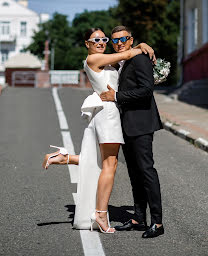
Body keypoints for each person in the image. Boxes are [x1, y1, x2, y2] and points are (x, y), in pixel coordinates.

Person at [42, 27, 155, 233]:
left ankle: (64, 157)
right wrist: (142, 46)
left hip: (105, 112)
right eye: (96, 40)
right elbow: (128, 53)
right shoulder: (93, 59)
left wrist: (140, 46)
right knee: (109, 165)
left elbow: (124, 58)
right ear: (87, 43)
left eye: (104, 39)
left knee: (102, 160)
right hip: (108, 112)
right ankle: (100, 214)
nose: (101, 42)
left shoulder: (105, 59)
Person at [100, 25, 164, 238]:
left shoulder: (139, 58)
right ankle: (138, 218)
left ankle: (157, 222)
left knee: (146, 171)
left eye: (123, 39)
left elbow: (146, 90)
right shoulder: (126, 57)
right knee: (134, 174)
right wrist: (139, 46)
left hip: (141, 124)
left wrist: (117, 97)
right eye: (115, 40)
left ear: (130, 39)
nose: (119, 43)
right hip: (126, 125)